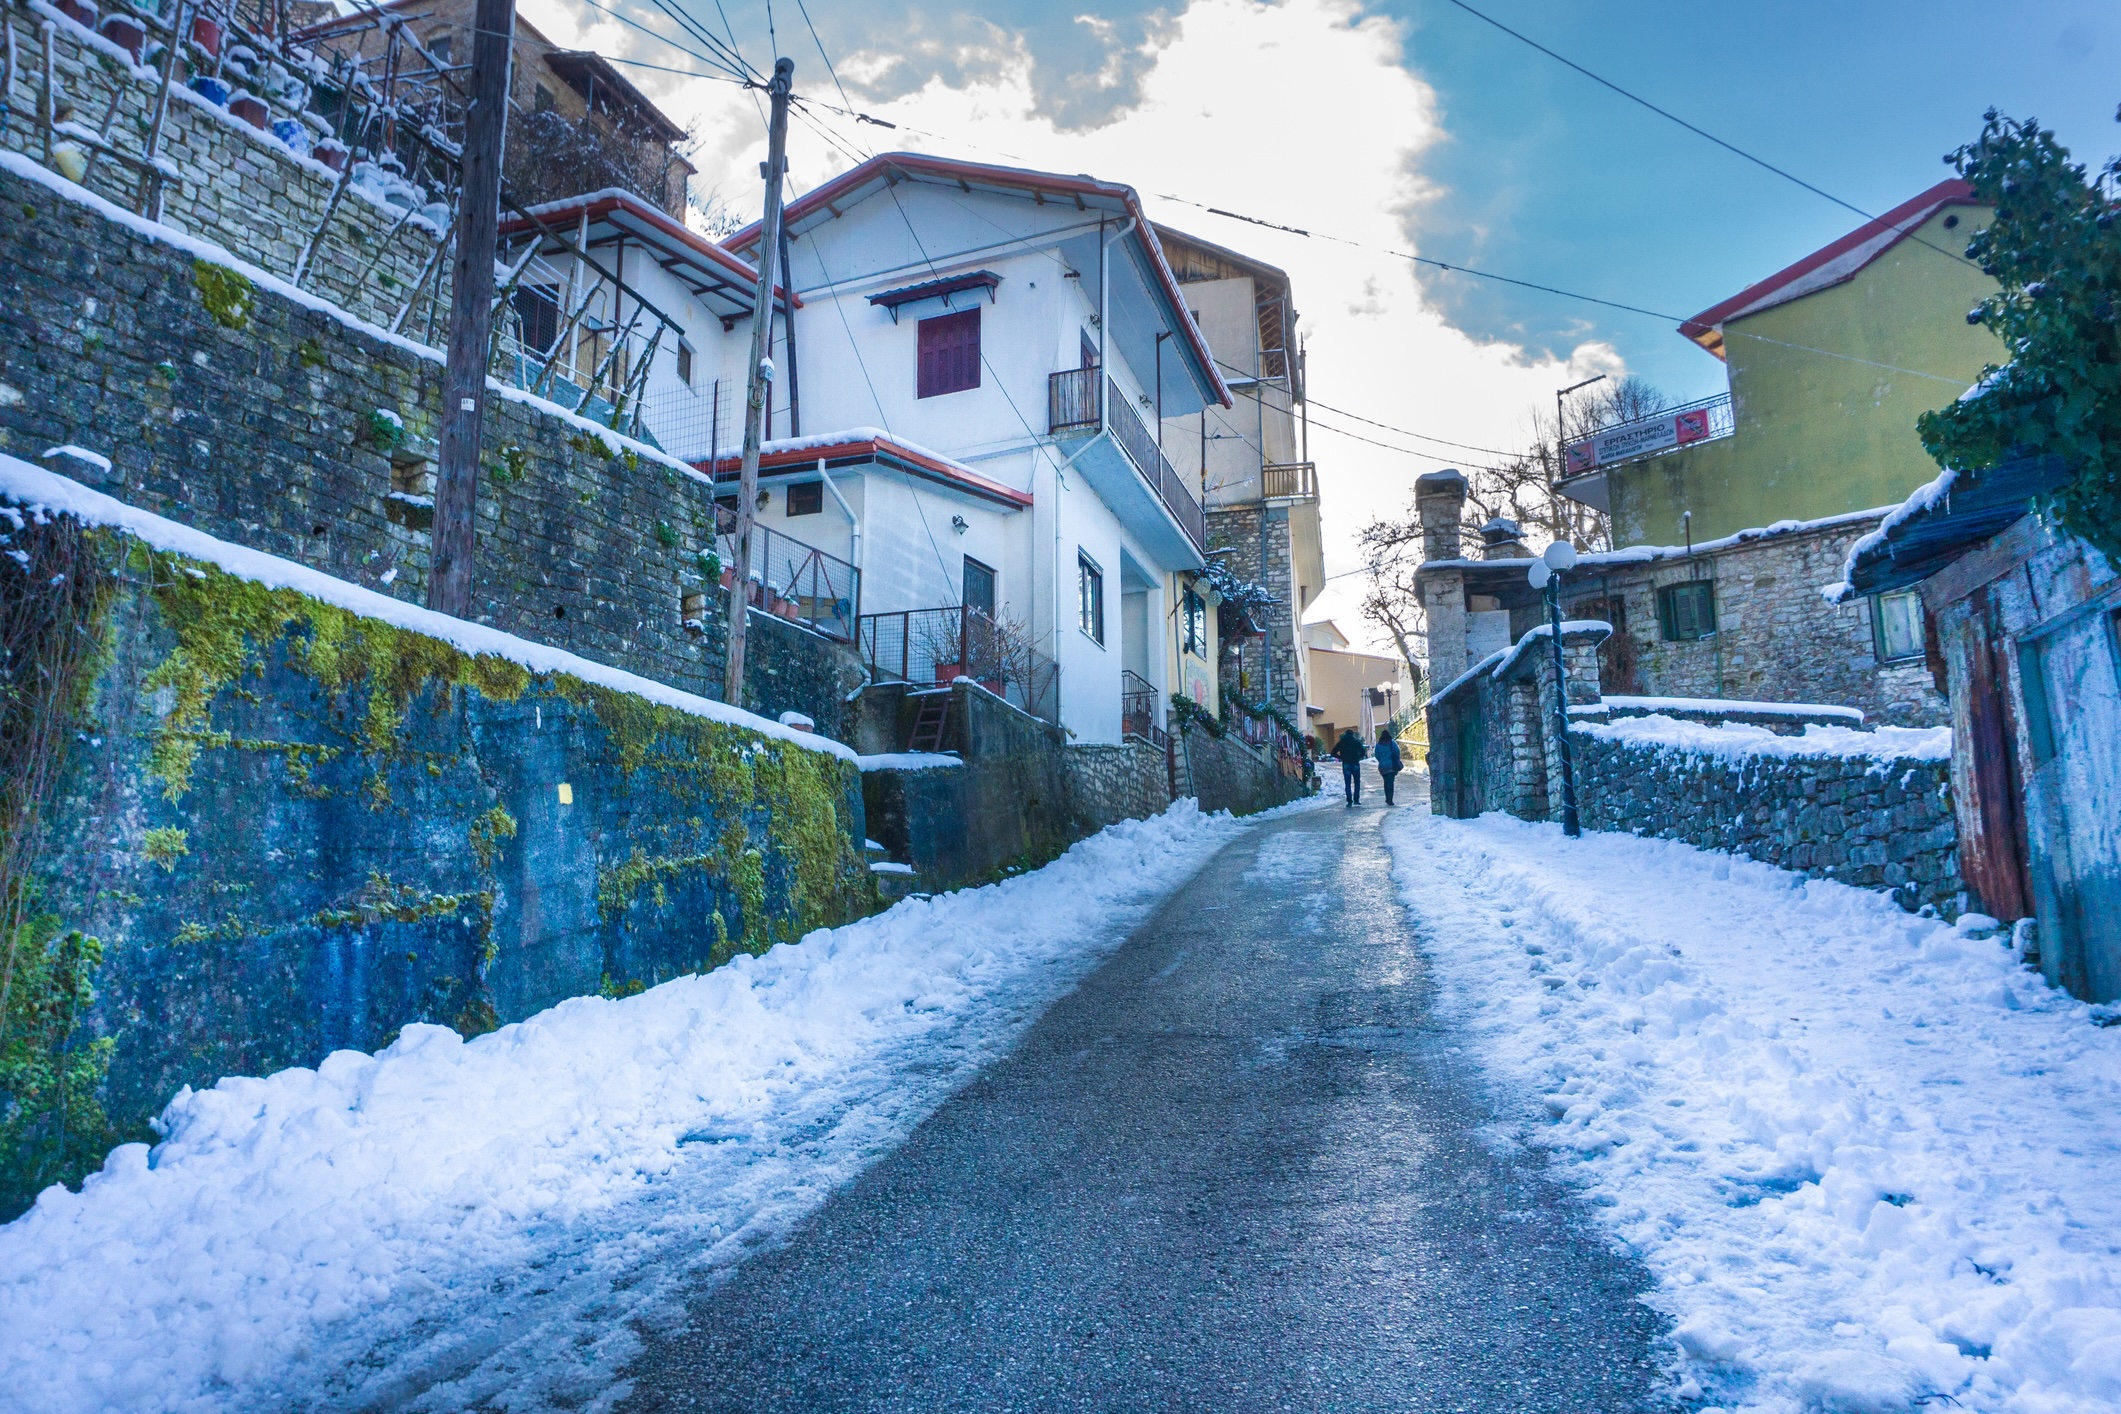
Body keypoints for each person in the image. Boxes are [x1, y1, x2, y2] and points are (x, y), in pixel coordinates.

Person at [1332, 727, 1366, 806]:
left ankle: (1349, 801)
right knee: (1357, 782)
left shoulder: (1342, 742)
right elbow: (1363, 752)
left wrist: (1341, 757)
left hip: (1346, 763)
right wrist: (1358, 757)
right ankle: (1356, 800)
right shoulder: (1356, 742)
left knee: (1347, 783)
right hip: (1355, 763)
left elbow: (1333, 752)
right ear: (1352, 734)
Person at [1375, 727, 1404, 806]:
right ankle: (1390, 799)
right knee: (1391, 782)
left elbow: (1376, 755)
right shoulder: (1392, 743)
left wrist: (1381, 760)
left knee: (1385, 782)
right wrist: (1396, 759)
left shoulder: (1378, 745)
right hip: (1391, 765)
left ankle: (1387, 797)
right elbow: (1397, 751)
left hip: (1382, 766)